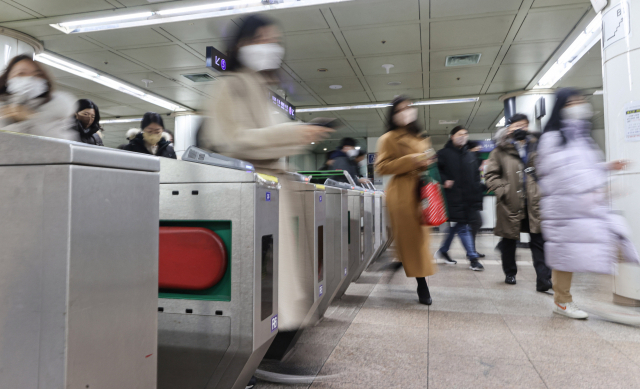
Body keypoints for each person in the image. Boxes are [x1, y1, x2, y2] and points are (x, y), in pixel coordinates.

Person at [196, 14, 332, 365]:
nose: (270, 47)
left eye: (274, 40)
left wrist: (297, 133)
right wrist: (293, 134)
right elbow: (232, 139)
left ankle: (271, 350)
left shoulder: (262, 90)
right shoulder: (230, 86)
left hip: (272, 192)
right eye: (262, 39)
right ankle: (256, 357)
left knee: (277, 277)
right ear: (242, 44)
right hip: (253, 193)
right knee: (263, 279)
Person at [537, 88, 640, 319]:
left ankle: (626, 295)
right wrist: (596, 190)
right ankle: (562, 302)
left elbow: (583, 169)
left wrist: (607, 167)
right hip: (566, 209)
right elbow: (559, 175)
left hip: (587, 206)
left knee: (617, 245)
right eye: (573, 102)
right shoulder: (551, 138)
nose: (580, 105)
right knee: (565, 256)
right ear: (561, 107)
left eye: (582, 100)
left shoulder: (580, 136)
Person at [375, 96, 436, 305]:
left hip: (420, 191)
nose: (405, 112)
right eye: (400, 109)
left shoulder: (421, 137)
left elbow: (427, 160)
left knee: (419, 239)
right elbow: (381, 167)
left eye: (408, 108)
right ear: (393, 115)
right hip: (400, 194)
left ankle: (400, 261)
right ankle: (422, 284)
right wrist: (413, 160)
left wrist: (426, 161)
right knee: (414, 239)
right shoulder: (388, 138)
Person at [485, 113, 552, 291]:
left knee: (538, 240)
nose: (520, 129)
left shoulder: (537, 146)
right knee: (508, 241)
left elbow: (548, 171)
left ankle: (544, 279)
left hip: (534, 202)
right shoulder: (499, 150)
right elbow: (490, 175)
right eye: (516, 126)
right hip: (510, 203)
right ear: (509, 129)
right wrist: (504, 191)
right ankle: (510, 272)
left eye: (523, 125)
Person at [433, 126, 484, 271]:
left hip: (468, 199)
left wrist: (477, 198)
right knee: (462, 227)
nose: (463, 136)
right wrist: (445, 180)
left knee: (457, 226)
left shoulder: (470, 156)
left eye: (465, 134)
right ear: (452, 137)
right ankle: (473, 258)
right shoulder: (443, 153)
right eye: (459, 134)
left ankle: (443, 250)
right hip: (452, 197)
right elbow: (436, 171)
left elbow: (475, 178)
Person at [0, 54, 77, 141]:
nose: (29, 78)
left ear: (45, 80)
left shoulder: (57, 110)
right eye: (21, 74)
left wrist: (30, 119)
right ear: (7, 80)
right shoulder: (2, 109)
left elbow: (59, 147)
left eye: (37, 74)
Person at [467, 140, 486, 258]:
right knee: (476, 223)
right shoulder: (471, 160)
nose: (479, 148)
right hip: (470, 199)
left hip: (474, 198)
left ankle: (471, 251)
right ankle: (471, 251)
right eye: (477, 147)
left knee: (474, 224)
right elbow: (474, 181)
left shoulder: (475, 160)